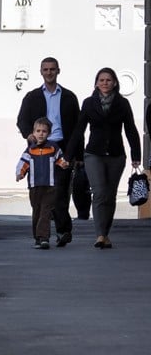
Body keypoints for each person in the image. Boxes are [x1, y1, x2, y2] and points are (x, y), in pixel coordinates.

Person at [65, 67, 141, 249]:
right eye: (101, 80)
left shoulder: (123, 104)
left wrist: (136, 155)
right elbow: (78, 130)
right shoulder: (89, 103)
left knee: (110, 195)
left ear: (115, 82)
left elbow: (130, 129)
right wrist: (68, 155)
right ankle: (99, 234)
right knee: (99, 193)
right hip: (94, 154)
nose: (105, 83)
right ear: (96, 83)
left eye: (108, 80)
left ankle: (105, 233)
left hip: (116, 155)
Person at [16, 57, 80, 246]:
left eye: (52, 69)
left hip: (61, 148)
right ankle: (43, 234)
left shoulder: (69, 97)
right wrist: (29, 135)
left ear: (58, 71)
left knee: (59, 193)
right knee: (40, 195)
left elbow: (78, 127)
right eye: (46, 69)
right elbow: (22, 120)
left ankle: (62, 231)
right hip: (38, 151)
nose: (49, 72)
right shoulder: (32, 96)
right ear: (41, 72)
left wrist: (77, 154)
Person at [15, 117, 70, 249]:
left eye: (44, 131)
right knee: (37, 212)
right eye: (38, 131)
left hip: (50, 186)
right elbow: (23, 163)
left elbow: (60, 158)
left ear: (49, 133)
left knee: (45, 211)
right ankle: (37, 238)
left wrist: (64, 163)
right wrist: (20, 173)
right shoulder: (30, 150)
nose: (41, 134)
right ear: (33, 133)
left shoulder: (53, 148)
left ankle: (43, 238)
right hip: (34, 186)